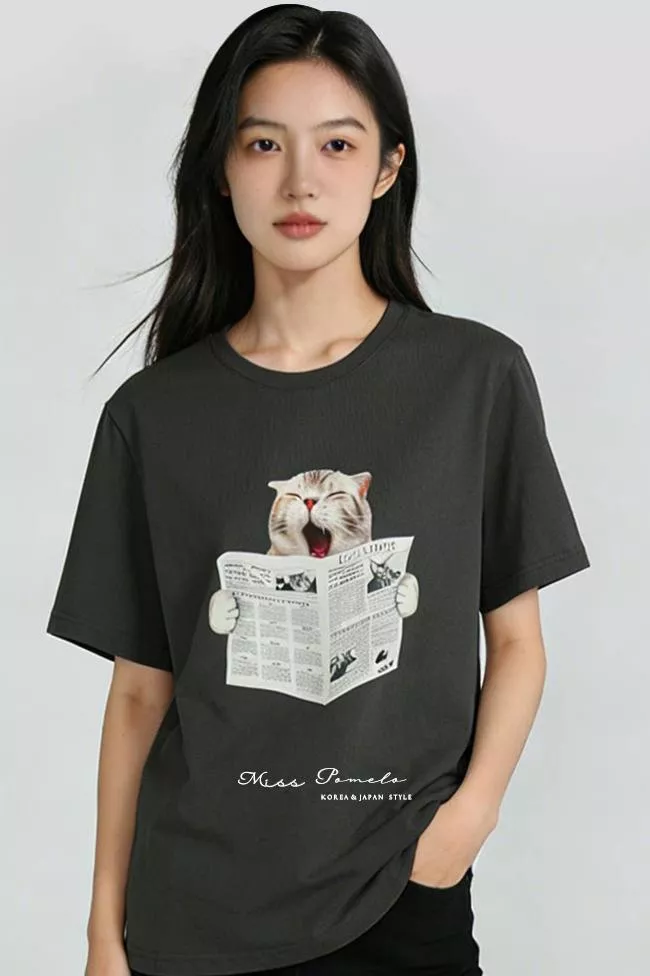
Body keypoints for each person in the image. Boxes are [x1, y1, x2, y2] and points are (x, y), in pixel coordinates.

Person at [45, 6, 591, 976]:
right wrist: (101, 934)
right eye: (264, 143)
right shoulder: (154, 415)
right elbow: (136, 694)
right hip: (192, 914)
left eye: (336, 144)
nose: (300, 180)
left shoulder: (474, 380)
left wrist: (463, 823)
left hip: (399, 898)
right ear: (222, 167)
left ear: (387, 167)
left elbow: (516, 641)